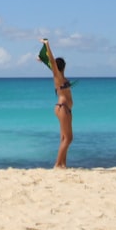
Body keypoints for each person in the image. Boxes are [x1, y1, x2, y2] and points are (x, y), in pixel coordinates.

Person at [41, 39, 72, 168]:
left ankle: (63, 164)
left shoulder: (61, 78)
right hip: (62, 108)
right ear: (63, 66)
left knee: (64, 138)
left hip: (64, 109)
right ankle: (57, 164)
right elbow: (53, 62)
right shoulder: (58, 77)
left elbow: (52, 63)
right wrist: (47, 45)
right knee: (69, 138)